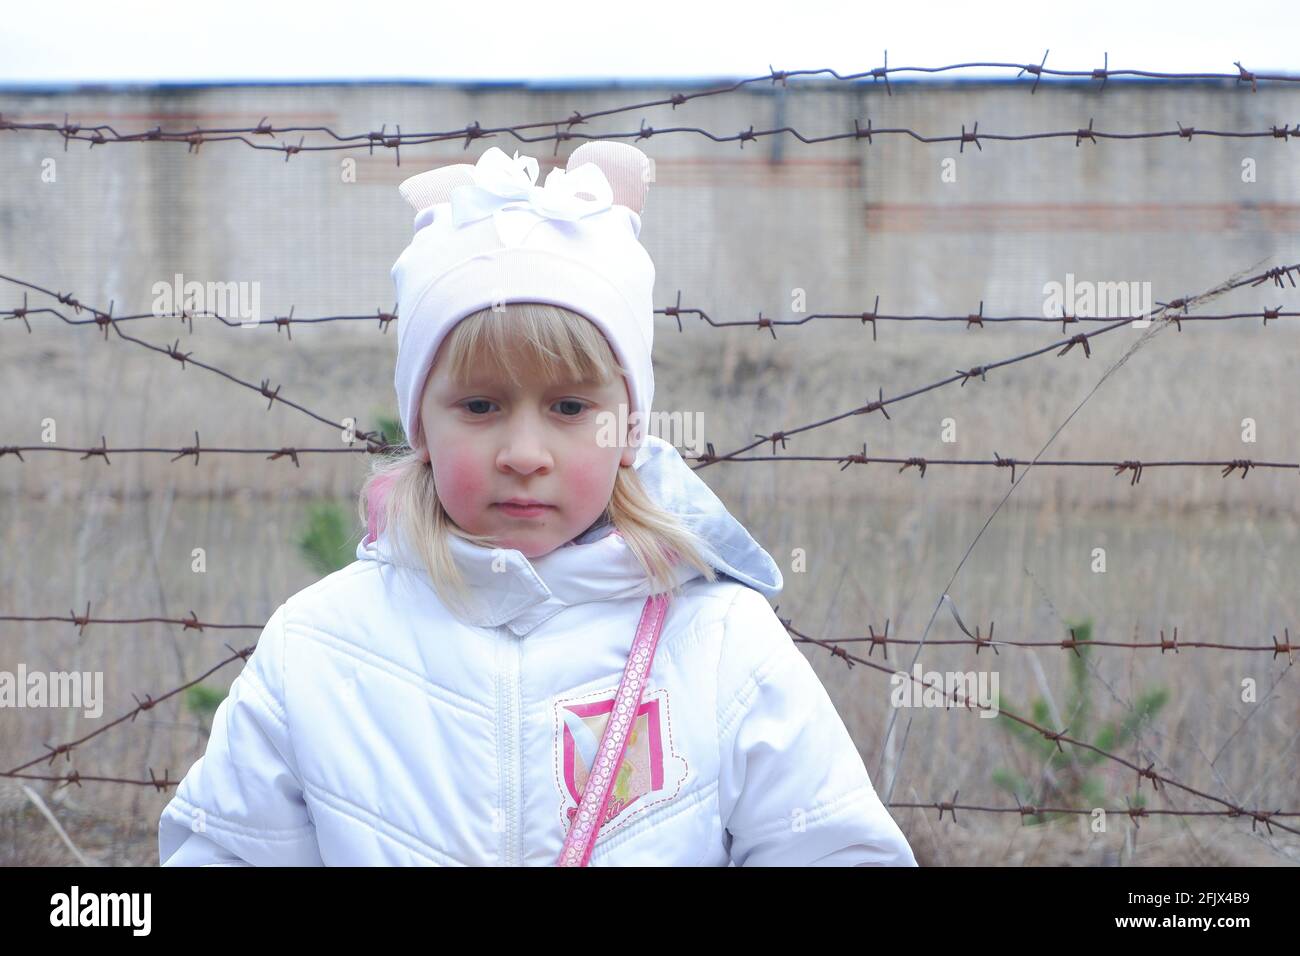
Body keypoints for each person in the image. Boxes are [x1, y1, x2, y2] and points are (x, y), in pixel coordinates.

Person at [157, 141, 916, 866]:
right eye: (482, 405)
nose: (524, 452)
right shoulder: (318, 650)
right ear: (420, 424)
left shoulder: (719, 644)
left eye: (568, 407)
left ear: (629, 428)